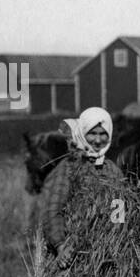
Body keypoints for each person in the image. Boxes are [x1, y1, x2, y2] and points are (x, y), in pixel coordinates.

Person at [39, 106, 122, 264]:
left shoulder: (112, 170)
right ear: (82, 133)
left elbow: (119, 209)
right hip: (74, 249)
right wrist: (61, 246)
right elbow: (53, 209)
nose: (98, 140)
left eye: (103, 134)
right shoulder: (69, 167)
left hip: (105, 250)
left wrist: (116, 240)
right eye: (92, 133)